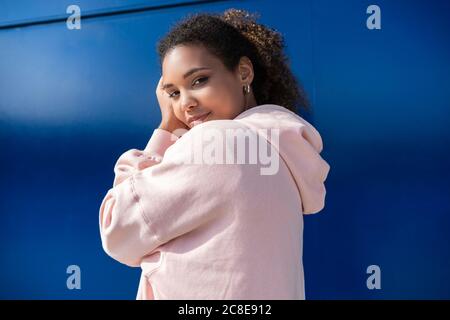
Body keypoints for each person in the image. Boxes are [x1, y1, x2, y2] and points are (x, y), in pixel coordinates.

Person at [99, 9, 330, 299]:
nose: (185, 105)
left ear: (244, 72)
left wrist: (165, 128)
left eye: (198, 81)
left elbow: (118, 229)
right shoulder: (281, 151)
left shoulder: (217, 142)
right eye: (173, 93)